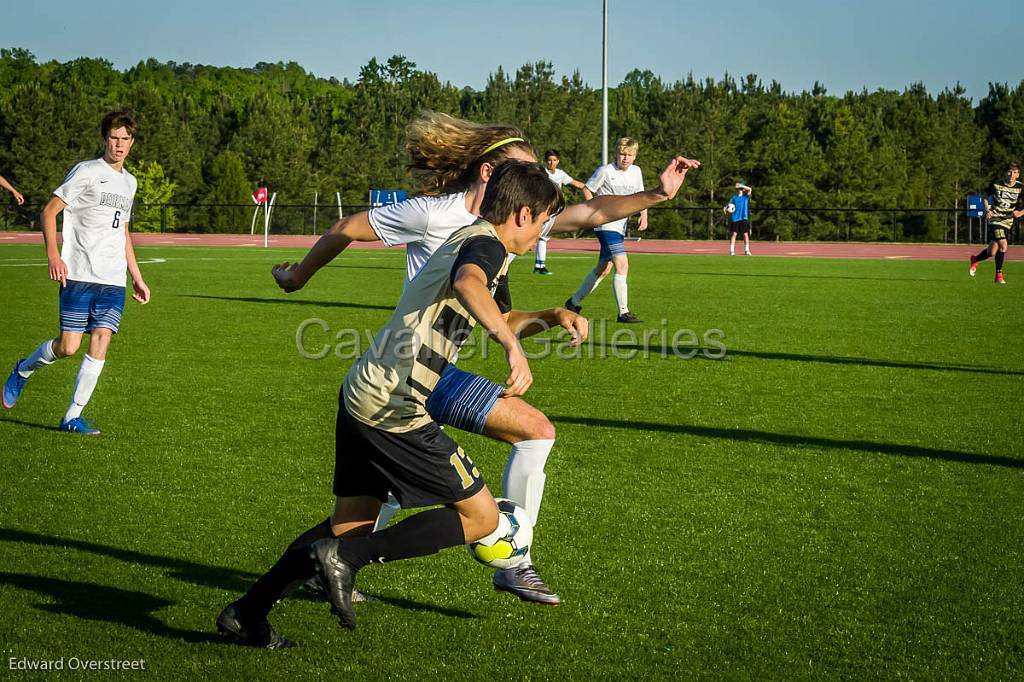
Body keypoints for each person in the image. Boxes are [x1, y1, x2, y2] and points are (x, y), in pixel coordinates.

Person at [272, 112, 699, 605]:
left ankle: (511, 562)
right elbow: (349, 226)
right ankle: (335, 565)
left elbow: (589, 217)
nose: (538, 181)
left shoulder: (514, 220)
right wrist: (300, 276)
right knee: (370, 508)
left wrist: (654, 198)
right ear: (491, 173)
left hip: (437, 371)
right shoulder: (435, 214)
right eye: (527, 169)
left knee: (534, 432)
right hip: (406, 371)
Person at [217, 160, 570, 648]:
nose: (545, 232)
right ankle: (347, 561)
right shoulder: (484, 245)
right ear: (525, 214)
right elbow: (470, 285)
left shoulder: (484, 245)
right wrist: (510, 348)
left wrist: (550, 316)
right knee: (482, 518)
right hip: (394, 404)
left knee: (350, 526)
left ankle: (247, 612)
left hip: (365, 390)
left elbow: (500, 313)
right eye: (546, 220)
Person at [2, 109, 150, 433]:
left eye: (125, 139)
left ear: (133, 142)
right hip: (80, 273)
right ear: (104, 139)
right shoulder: (86, 171)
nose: (119, 144)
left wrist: (136, 276)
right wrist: (54, 257)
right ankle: (24, 370)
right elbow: (48, 212)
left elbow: (122, 232)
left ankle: (72, 416)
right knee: (68, 347)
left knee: (101, 341)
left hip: (112, 278)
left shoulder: (130, 183)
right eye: (114, 138)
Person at [564, 137, 647, 323]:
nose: (625, 158)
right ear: (616, 154)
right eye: (622, 154)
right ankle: (623, 312)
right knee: (622, 263)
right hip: (606, 225)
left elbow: (641, 196)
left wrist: (644, 215)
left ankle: (573, 302)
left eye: (629, 155)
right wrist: (594, 210)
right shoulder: (606, 171)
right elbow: (587, 189)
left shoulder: (636, 171)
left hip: (620, 226)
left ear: (635, 156)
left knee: (603, 269)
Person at [970, 163, 1023, 284]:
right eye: (1009, 171)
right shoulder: (997, 184)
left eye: (1014, 172)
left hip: (1008, 220)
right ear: (1005, 172)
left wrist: (1020, 212)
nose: (1011, 174)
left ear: (1018, 175)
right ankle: (998, 276)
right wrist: (987, 210)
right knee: (1003, 245)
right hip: (995, 218)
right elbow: (985, 196)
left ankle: (975, 259)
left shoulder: (1020, 187)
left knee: (991, 252)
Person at [534, 149, 584, 275]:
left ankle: (539, 266)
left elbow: (575, 183)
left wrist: (592, 187)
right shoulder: (541, 172)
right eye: (550, 160)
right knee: (541, 236)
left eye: (554, 160)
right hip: (542, 207)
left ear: (558, 161)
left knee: (543, 237)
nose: (552, 162)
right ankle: (539, 266)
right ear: (546, 161)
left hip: (554, 209)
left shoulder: (560, 174)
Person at [727, 181, 753, 256]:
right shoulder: (734, 197)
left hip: (744, 218)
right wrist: (726, 210)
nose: (740, 190)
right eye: (739, 189)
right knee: (734, 234)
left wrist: (741, 185)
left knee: (745, 234)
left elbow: (750, 189)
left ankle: (747, 250)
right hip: (735, 218)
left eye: (741, 189)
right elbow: (728, 206)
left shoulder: (745, 197)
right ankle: (731, 251)